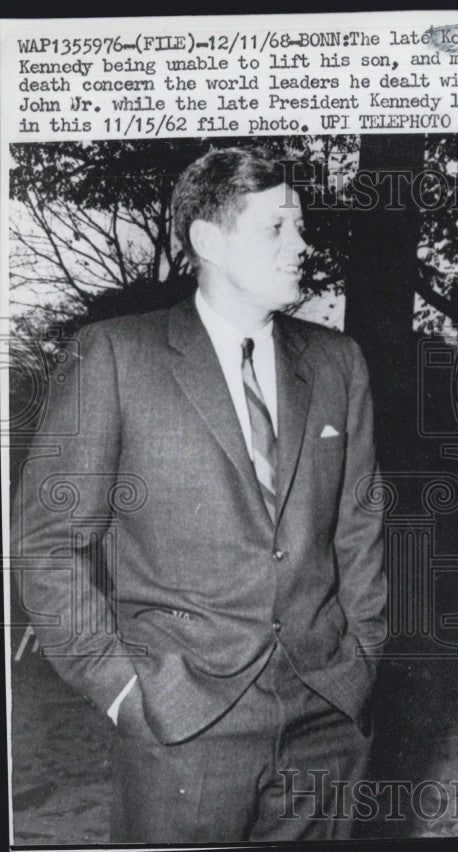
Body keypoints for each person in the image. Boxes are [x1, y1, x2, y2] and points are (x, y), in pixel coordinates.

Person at [13, 147, 386, 842]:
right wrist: (123, 689)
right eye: (277, 228)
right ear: (208, 241)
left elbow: (357, 527)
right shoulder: (116, 356)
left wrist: (361, 660)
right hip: (182, 723)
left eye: (300, 227)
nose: (302, 246)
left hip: (326, 714)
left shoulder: (339, 363)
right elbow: (47, 542)